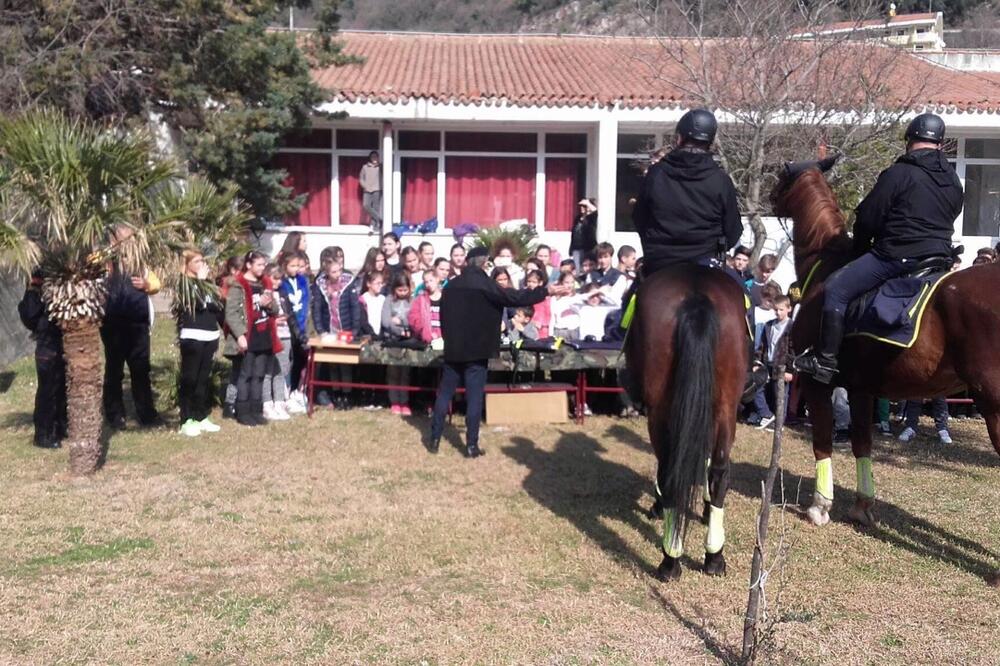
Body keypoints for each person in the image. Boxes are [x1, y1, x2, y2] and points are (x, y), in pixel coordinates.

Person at [794, 113, 964, 384]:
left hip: (896, 256)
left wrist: (860, 249)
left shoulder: (899, 173)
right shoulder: (953, 180)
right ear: (940, 145)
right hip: (939, 259)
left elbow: (869, 216)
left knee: (836, 288)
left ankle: (825, 361)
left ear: (909, 140)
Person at [428, 247, 569, 457]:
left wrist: (449, 340)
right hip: (478, 350)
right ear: (485, 262)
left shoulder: (451, 286)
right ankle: (471, 445)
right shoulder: (487, 286)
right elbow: (516, 297)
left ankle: (434, 439)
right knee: (474, 397)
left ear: (467, 262)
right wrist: (545, 291)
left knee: (445, 392)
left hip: (454, 349)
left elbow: (443, 318)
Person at [631, 108, 742, 275]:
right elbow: (733, 230)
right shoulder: (721, 180)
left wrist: (654, 251)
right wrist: (718, 257)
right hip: (708, 261)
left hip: (661, 262)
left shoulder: (656, 173)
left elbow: (639, 218)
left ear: (679, 138)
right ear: (710, 142)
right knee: (745, 298)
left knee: (630, 300)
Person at [102, 226, 162, 429]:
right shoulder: (106, 262)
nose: (128, 243)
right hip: (113, 325)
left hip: (138, 324)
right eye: (124, 239)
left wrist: (146, 285)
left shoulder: (140, 263)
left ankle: (146, 413)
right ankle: (115, 414)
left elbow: (155, 284)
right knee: (114, 370)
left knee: (140, 370)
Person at [224, 251, 281, 427]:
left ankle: (256, 410)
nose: (262, 268)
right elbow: (231, 313)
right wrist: (240, 335)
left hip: (264, 336)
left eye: (264, 265)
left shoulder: (265, 284)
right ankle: (242, 411)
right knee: (246, 375)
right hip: (248, 336)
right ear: (248, 265)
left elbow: (276, 310)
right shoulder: (238, 285)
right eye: (259, 265)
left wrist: (269, 304)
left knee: (259, 375)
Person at [176, 250, 225, 437]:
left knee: (203, 378)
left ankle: (200, 415)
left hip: (210, 335)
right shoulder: (184, 283)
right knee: (190, 378)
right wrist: (201, 282)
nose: (201, 264)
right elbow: (193, 305)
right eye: (196, 261)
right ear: (187, 264)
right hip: (192, 335)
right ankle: (186, 418)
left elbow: (215, 307)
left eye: (202, 260)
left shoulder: (207, 283)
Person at [17, 270, 67, 448]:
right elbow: (30, 314)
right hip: (47, 346)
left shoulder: (58, 285)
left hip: (61, 342)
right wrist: (34, 287)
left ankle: (60, 426)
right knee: (48, 391)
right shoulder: (34, 292)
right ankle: (43, 434)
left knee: (61, 387)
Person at [310, 256, 362, 409]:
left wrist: (354, 330)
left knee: (344, 363)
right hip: (329, 329)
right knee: (332, 364)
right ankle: (336, 393)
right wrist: (321, 330)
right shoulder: (320, 285)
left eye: (339, 270)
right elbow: (317, 309)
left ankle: (347, 395)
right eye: (334, 272)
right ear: (327, 272)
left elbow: (355, 308)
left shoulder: (348, 283)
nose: (337, 274)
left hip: (345, 329)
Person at [749, 294, 794, 429]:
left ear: (789, 309)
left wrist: (790, 370)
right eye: (776, 310)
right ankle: (766, 415)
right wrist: (757, 362)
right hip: (766, 363)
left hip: (781, 366)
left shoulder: (792, 328)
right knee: (756, 387)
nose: (778, 312)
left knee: (780, 394)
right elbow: (761, 346)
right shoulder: (769, 326)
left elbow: (793, 351)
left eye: (781, 309)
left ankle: (779, 422)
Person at [279, 251, 311, 410]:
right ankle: (286, 391)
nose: (296, 268)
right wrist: (296, 330)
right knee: (288, 361)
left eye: (298, 265)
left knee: (300, 360)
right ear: (285, 266)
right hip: (289, 328)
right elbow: (287, 309)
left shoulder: (303, 281)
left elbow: (306, 303)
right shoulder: (282, 284)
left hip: (302, 325)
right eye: (293, 265)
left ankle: (297, 391)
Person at [381, 272, 415, 416]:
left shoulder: (412, 300)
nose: (402, 293)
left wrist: (401, 322)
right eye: (399, 290)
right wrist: (400, 330)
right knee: (393, 371)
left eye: (405, 290)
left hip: (407, 341)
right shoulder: (389, 300)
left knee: (405, 373)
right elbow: (385, 321)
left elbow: (413, 320)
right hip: (393, 340)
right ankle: (394, 401)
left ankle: (404, 401)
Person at [263, 264, 292, 421]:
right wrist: (274, 321)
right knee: (268, 371)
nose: (278, 282)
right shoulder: (264, 295)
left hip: (285, 335)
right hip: (269, 336)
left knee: (281, 370)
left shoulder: (282, 293)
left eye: (280, 279)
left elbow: (289, 311)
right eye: (275, 278)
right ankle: (267, 403)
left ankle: (279, 401)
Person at [409, 269, 444, 345]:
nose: (429, 284)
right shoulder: (420, 299)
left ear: (437, 279)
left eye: (431, 280)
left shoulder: (446, 297)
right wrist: (425, 332)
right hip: (427, 340)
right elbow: (414, 318)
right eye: (426, 282)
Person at [570, 198, 598, 269]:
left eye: (584, 206)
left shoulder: (591, 218)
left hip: (587, 248)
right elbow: (574, 234)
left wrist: (588, 203)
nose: (582, 208)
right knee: (578, 268)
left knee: (587, 266)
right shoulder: (577, 218)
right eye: (581, 206)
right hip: (576, 248)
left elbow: (595, 212)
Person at [523, 270, 551, 338]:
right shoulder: (524, 295)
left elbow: (549, 314)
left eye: (534, 282)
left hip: (542, 328)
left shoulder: (545, 297)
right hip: (527, 326)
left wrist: (542, 323)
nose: (530, 284)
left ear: (540, 283)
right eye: (529, 281)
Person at [360, 151, 382, 233]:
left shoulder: (380, 167)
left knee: (376, 208)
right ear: (370, 158)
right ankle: (379, 219)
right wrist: (364, 186)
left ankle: (374, 226)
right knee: (366, 205)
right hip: (367, 189)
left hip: (377, 189)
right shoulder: (365, 167)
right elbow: (361, 178)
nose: (374, 158)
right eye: (373, 157)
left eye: (376, 156)